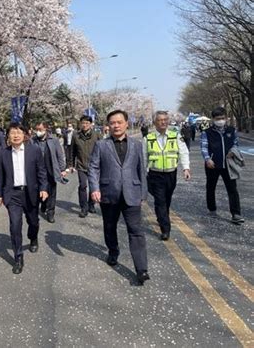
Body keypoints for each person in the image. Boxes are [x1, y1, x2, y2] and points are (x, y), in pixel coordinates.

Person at [88, 110, 149, 285]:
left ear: (126, 123)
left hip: (132, 193)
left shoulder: (137, 145)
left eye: (119, 122)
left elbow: (141, 169)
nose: (116, 125)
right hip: (109, 193)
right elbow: (93, 168)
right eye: (112, 123)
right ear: (108, 126)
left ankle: (141, 269)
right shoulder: (101, 145)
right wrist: (94, 188)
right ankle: (113, 251)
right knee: (109, 226)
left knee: (136, 231)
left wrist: (143, 193)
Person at [0, 123, 48, 274]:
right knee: (15, 225)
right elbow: (0, 175)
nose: (16, 135)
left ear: (25, 135)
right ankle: (18, 256)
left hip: (30, 192)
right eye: (13, 132)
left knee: (33, 221)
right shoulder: (3, 153)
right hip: (12, 194)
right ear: (8, 136)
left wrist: (44, 188)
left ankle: (33, 238)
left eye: (19, 132)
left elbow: (41, 171)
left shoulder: (34, 150)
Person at [143, 111, 191, 241]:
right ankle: (165, 229)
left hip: (171, 174)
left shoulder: (175, 136)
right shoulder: (148, 138)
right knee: (160, 200)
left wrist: (186, 168)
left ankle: (162, 217)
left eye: (165, 119)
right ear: (154, 123)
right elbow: (144, 157)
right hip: (155, 174)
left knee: (167, 199)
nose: (163, 122)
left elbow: (183, 152)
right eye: (160, 120)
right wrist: (143, 174)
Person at [201, 107, 244, 224]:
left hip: (228, 165)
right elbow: (204, 147)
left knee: (232, 189)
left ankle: (236, 213)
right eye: (218, 118)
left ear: (225, 118)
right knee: (210, 187)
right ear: (213, 119)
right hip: (212, 164)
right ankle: (212, 209)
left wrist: (233, 151)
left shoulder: (231, 130)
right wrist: (207, 159)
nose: (220, 120)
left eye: (222, 118)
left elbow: (236, 143)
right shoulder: (207, 132)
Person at [32, 121, 67, 223]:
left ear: (46, 130)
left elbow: (59, 155)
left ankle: (51, 212)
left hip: (51, 169)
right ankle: (43, 203)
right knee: (40, 189)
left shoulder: (53, 140)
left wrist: (62, 169)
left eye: (40, 130)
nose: (38, 132)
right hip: (37, 170)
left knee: (51, 192)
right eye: (37, 130)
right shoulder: (33, 140)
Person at [72, 115, 99, 218]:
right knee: (83, 186)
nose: (84, 125)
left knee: (93, 186)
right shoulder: (76, 136)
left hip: (94, 166)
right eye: (83, 123)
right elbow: (72, 151)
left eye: (87, 123)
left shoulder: (97, 135)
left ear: (91, 124)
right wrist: (70, 164)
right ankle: (84, 207)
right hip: (81, 165)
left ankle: (91, 204)